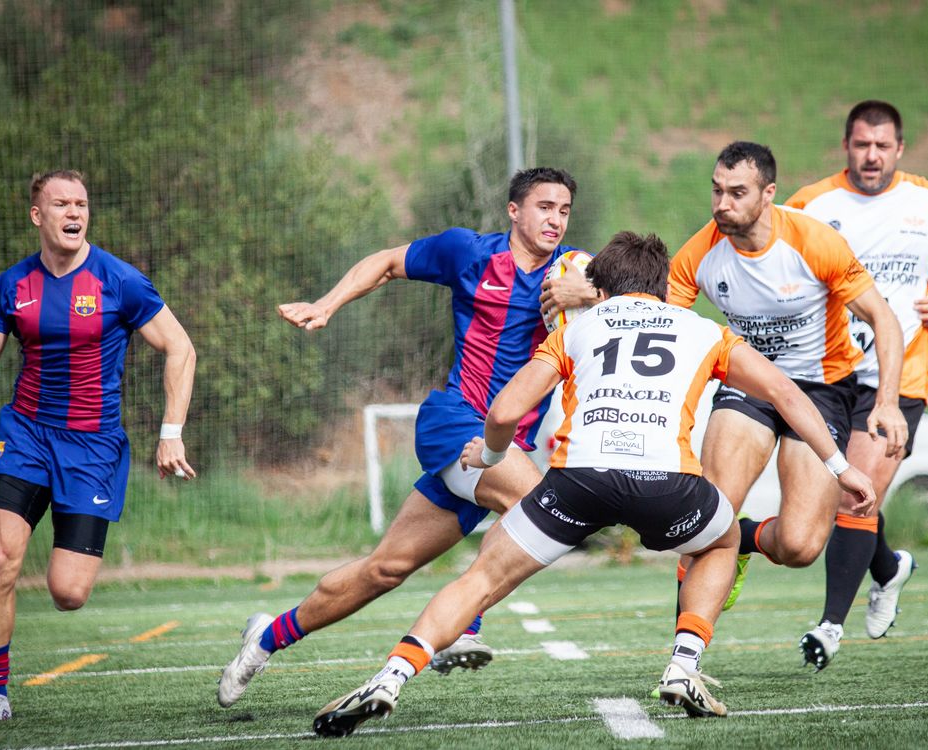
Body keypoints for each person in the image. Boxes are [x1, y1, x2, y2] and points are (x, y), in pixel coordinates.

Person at [310, 232, 877, 737]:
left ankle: (391, 676)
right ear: (663, 287)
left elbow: (505, 408)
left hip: (577, 482)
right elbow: (785, 394)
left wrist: (488, 453)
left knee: (483, 576)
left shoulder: (580, 329)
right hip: (668, 485)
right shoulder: (705, 330)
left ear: (600, 289)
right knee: (723, 541)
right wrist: (841, 467)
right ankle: (684, 663)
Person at [217, 167, 600, 708]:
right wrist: (327, 304)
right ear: (514, 211)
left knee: (385, 568)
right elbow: (388, 262)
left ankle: (265, 638)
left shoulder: (578, 270)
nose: (555, 219)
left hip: (495, 449)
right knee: (538, 502)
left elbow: (639, 296)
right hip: (455, 420)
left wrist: (590, 289)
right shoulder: (468, 253)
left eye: (563, 210)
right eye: (543, 207)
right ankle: (465, 626)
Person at [0, 170, 197, 726]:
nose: (73, 212)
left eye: (81, 203)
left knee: (68, 592)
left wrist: (170, 432)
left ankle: (52, 597)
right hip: (25, 434)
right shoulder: (11, 285)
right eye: (60, 203)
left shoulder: (121, 281)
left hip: (92, 447)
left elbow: (180, 348)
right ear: (37, 215)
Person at [666, 142, 908, 669]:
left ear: (768, 194)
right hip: (750, 384)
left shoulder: (813, 242)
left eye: (737, 193)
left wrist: (886, 402)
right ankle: (683, 660)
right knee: (705, 518)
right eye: (716, 190)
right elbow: (655, 319)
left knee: (799, 547)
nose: (721, 204)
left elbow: (884, 319)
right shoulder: (700, 254)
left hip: (821, 390)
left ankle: (745, 541)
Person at [784, 100, 928, 667]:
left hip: (900, 380)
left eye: (882, 146)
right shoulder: (811, 203)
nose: (871, 155)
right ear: (846, 146)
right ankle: (888, 567)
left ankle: (830, 627)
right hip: (829, 374)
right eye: (861, 144)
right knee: (842, 494)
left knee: (856, 495)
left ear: (899, 149)